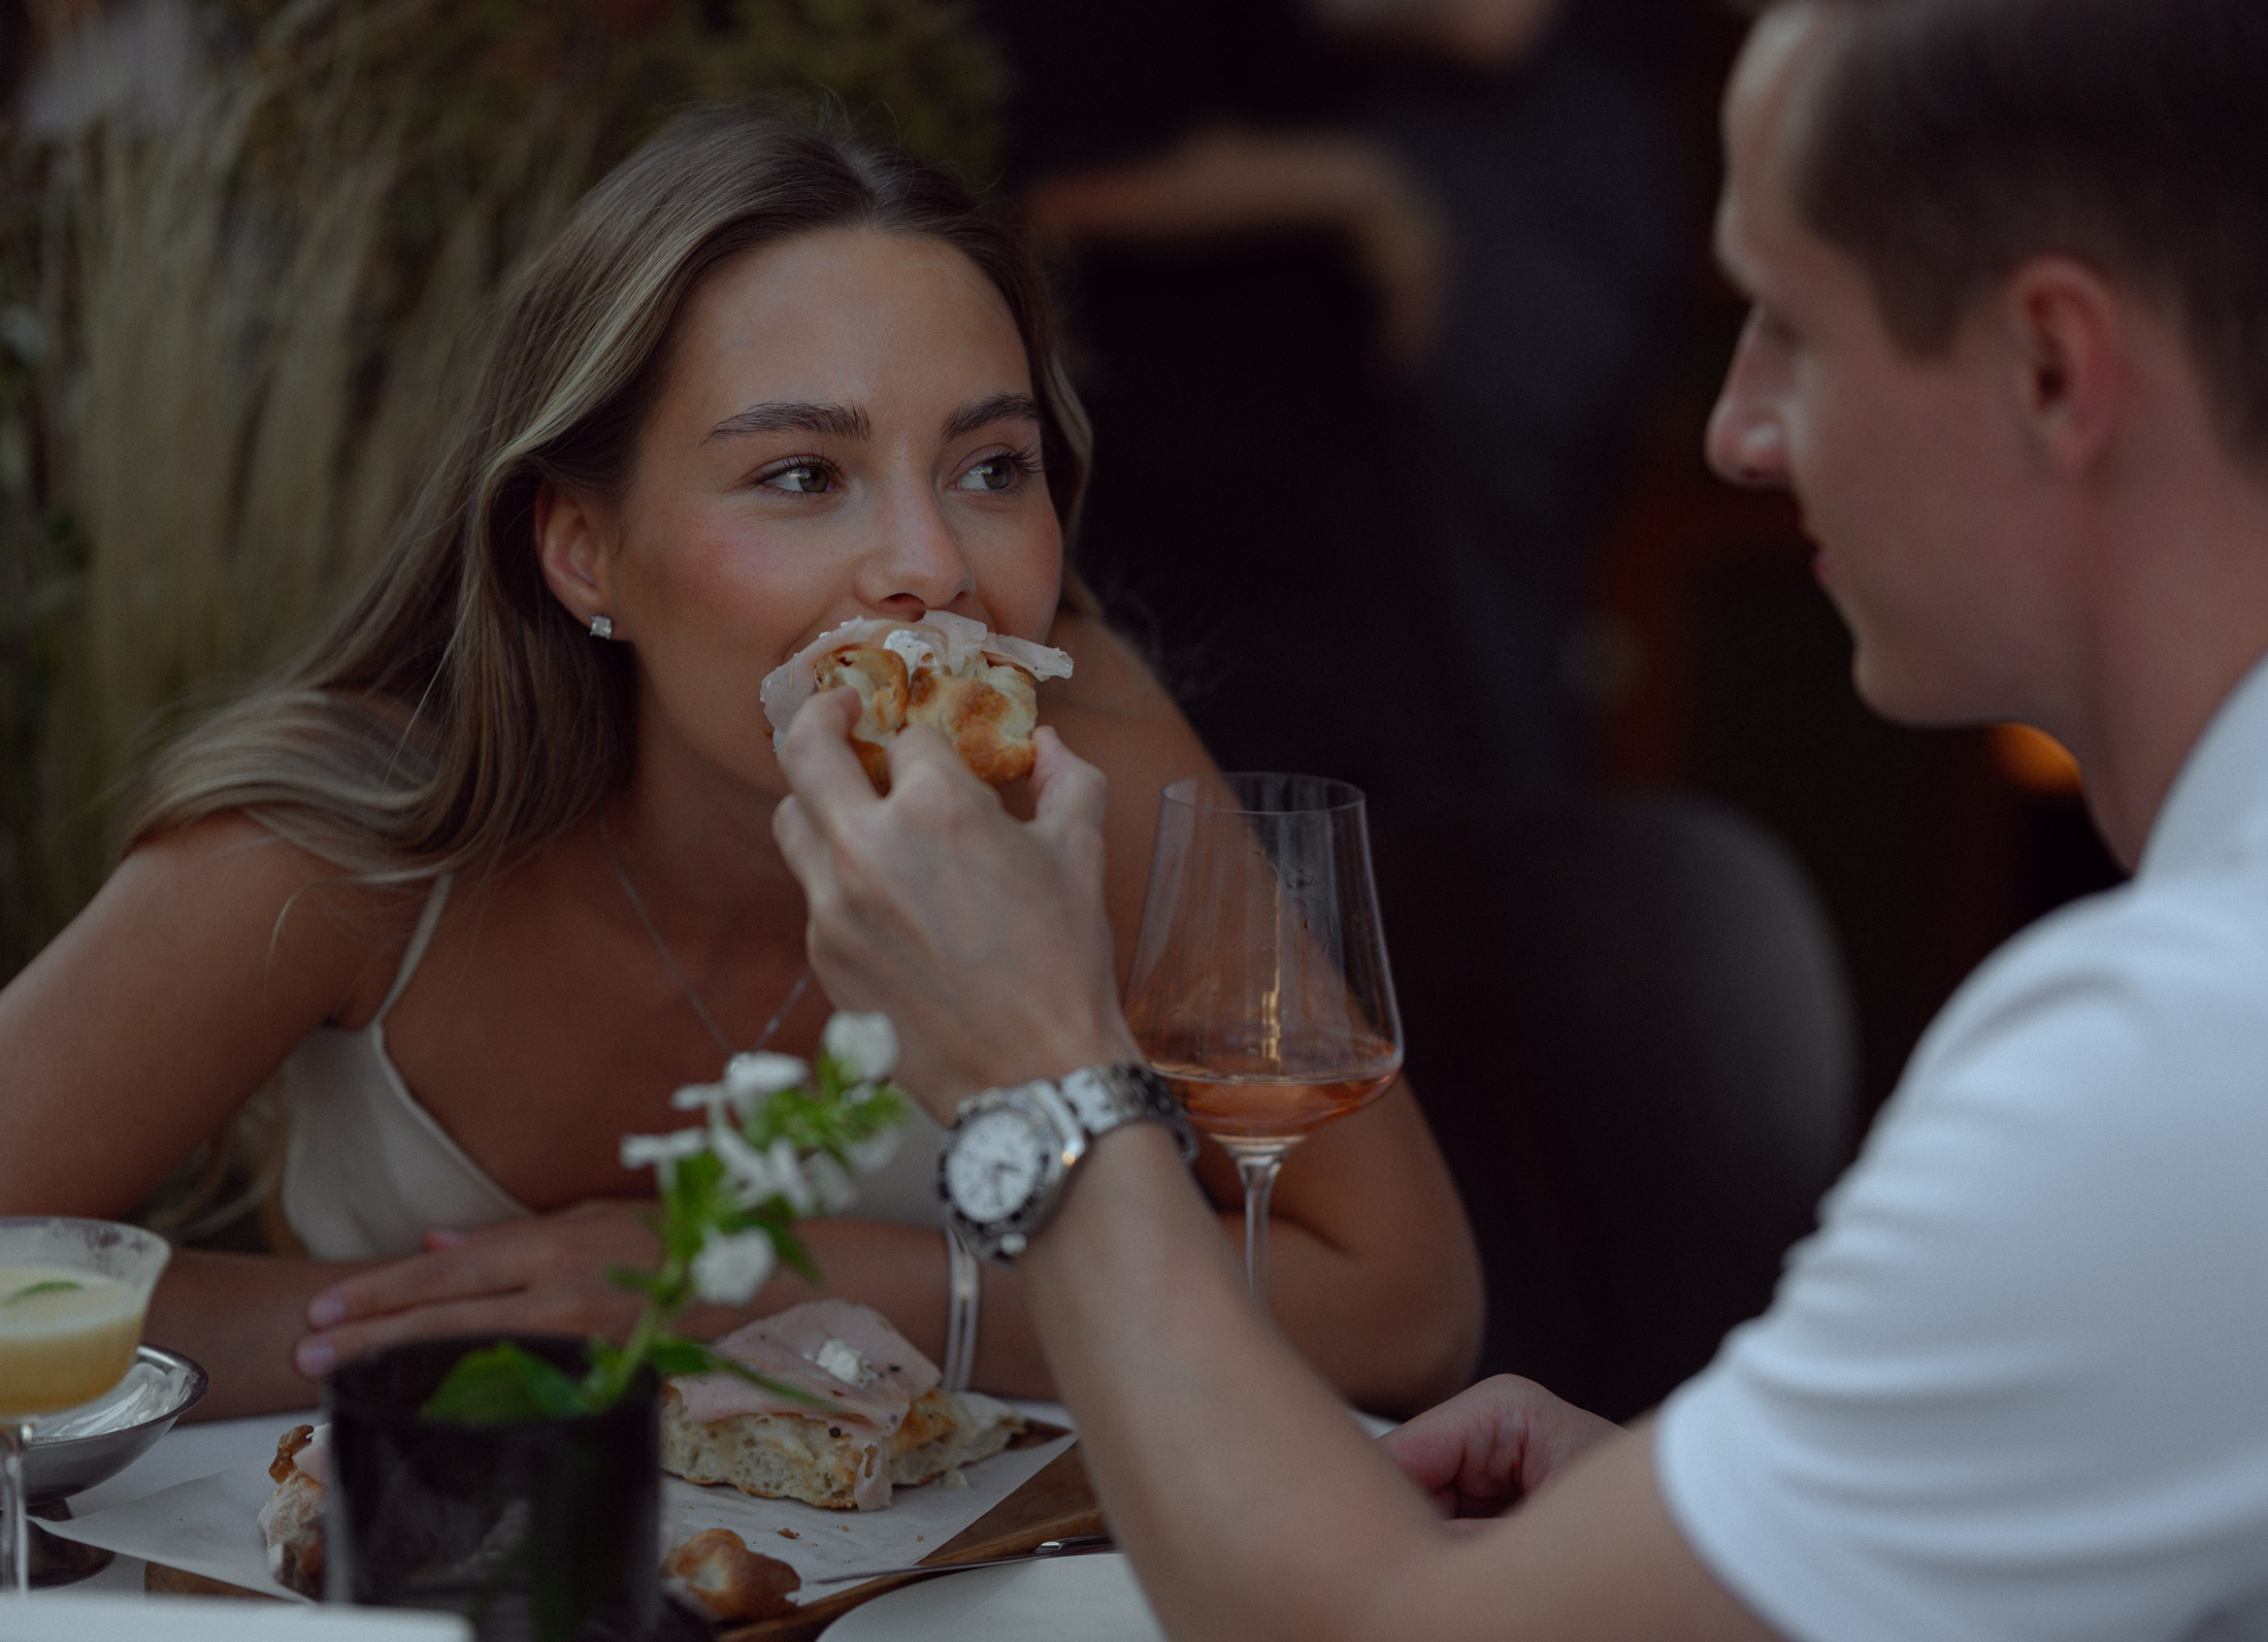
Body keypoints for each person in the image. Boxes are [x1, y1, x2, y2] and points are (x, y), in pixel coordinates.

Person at [770, 0, 2268, 1635]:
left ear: (2053, 366)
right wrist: (1771, 1518)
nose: (1740, 429)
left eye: (1793, 325)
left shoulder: (2210, 1052)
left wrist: (1041, 1084)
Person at [0, 112, 1483, 1420]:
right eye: (800, 476)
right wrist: (464, 1339)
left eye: (990, 469)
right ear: (586, 550)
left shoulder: (1085, 768)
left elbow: (1407, 1307)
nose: (929, 568)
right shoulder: (346, 835)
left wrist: (809, 1292)